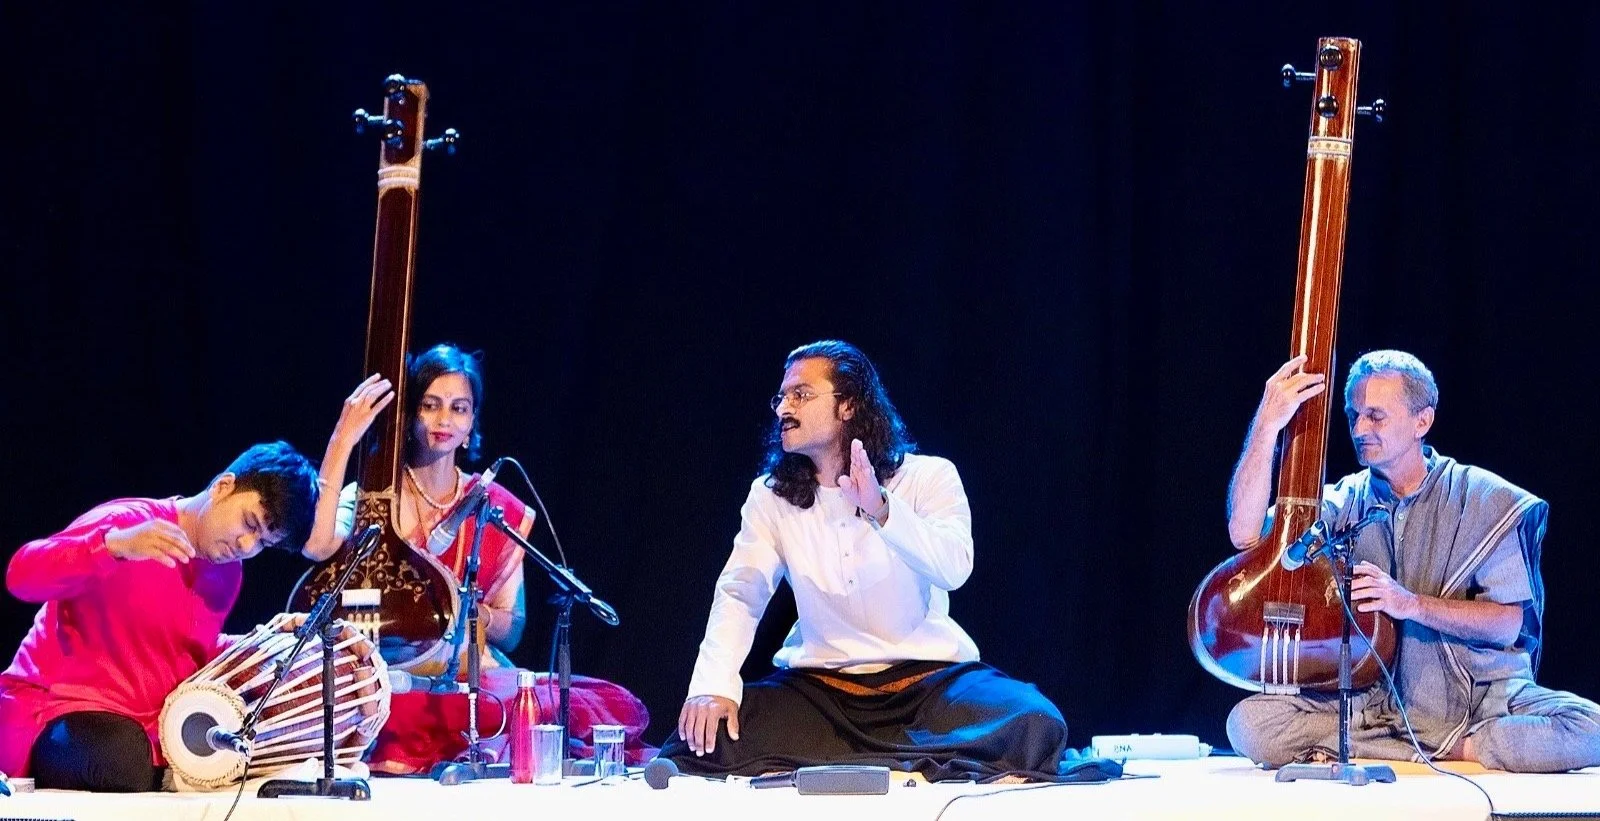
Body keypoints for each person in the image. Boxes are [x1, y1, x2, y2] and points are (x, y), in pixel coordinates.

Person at [662, 340, 1068, 781]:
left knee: (1036, 724)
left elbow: (954, 568)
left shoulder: (928, 476)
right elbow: (741, 593)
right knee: (699, 739)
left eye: (801, 394)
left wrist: (881, 508)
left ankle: (859, 761)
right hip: (821, 694)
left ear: (848, 405)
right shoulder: (771, 496)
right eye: (781, 397)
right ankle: (902, 762)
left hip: (928, 689)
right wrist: (712, 686)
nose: (784, 408)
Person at [1223, 350, 1600, 772]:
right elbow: (1245, 534)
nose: (1359, 429)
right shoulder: (1344, 502)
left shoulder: (1483, 499)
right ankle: (1423, 748)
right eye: (1353, 416)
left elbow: (1509, 624)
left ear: (1422, 421)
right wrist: (1267, 426)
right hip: (1373, 704)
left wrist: (1410, 604)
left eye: (1375, 416)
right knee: (1249, 724)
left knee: (1592, 727)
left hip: (1477, 700)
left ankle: (1443, 746)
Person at [304, 343, 651, 774]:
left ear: (472, 424)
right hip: (396, 676)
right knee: (402, 715)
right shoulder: (374, 497)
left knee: (575, 704)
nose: (444, 420)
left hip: (470, 677)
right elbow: (317, 545)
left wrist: (471, 611)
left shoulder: (492, 506)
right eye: (430, 405)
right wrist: (342, 440)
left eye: (459, 408)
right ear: (410, 416)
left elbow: (512, 628)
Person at [0, 440, 350, 791]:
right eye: (249, 523)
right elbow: (20, 576)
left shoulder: (227, 575)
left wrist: (267, 644)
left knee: (232, 757)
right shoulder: (129, 525)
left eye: (263, 543)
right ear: (223, 487)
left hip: (147, 735)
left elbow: (186, 651)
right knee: (123, 759)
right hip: (56, 718)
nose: (246, 545)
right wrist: (112, 546)